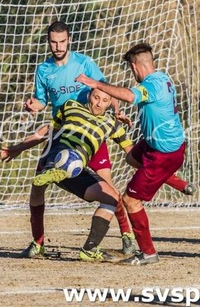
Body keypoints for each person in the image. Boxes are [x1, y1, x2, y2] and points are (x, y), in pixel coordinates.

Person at [21, 20, 137, 256]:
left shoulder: (84, 63)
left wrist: (116, 111)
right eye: (53, 42)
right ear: (48, 42)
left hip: (91, 135)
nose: (58, 46)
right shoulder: (43, 70)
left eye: (62, 41)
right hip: (62, 134)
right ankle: (38, 243)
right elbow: (43, 100)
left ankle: (127, 236)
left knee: (110, 190)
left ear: (69, 40)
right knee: (37, 187)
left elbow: (104, 88)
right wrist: (36, 104)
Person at [76, 43, 186, 265]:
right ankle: (178, 183)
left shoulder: (152, 86)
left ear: (135, 66)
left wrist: (98, 84)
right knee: (131, 158)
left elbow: (130, 96)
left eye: (130, 69)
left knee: (131, 200)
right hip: (155, 145)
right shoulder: (163, 77)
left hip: (162, 154)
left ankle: (148, 254)